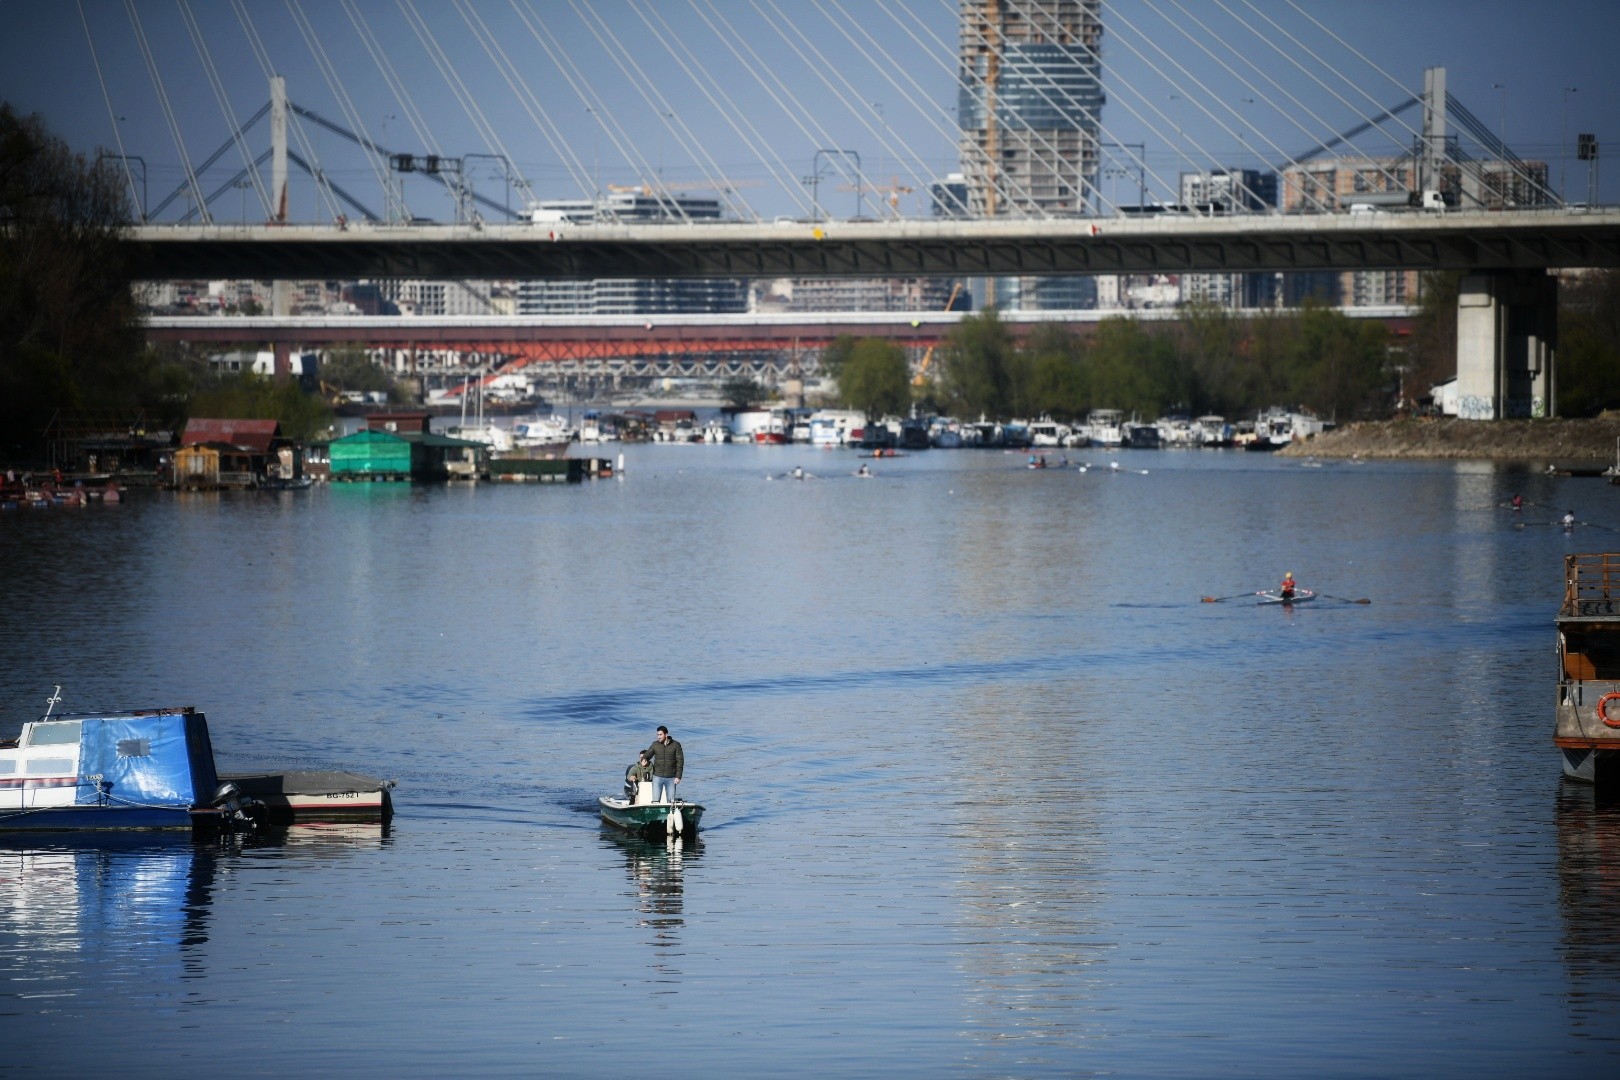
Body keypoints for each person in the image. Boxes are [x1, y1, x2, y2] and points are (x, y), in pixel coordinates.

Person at [643, 725, 684, 804]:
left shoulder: (676, 745)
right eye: (657, 735)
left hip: (671, 778)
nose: (658, 737)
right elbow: (648, 754)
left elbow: (680, 761)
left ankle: (670, 815)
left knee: (671, 802)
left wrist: (678, 777)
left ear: (666, 734)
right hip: (657, 777)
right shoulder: (655, 745)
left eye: (660, 735)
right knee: (655, 802)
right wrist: (644, 759)